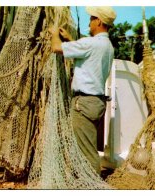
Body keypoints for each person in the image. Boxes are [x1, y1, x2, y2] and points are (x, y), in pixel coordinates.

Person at [49, 6, 116, 175]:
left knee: (86, 151)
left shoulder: (91, 43)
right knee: (88, 143)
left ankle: (91, 185)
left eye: (92, 18)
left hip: (84, 103)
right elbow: (86, 56)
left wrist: (54, 34)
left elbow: (56, 48)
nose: (89, 21)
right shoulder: (107, 46)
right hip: (96, 102)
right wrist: (71, 39)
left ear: (99, 21)